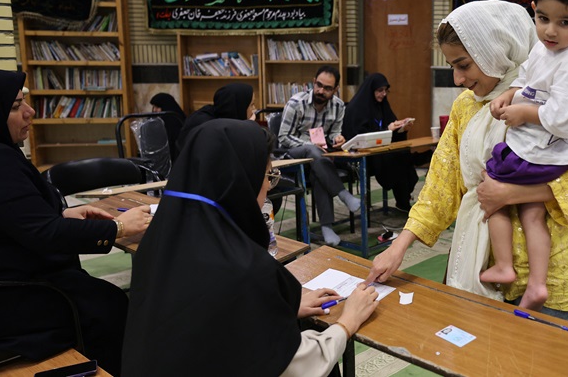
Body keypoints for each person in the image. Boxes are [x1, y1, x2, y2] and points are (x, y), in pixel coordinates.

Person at [365, 0, 568, 324]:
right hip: (482, 269)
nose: (457, 78)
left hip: (552, 276)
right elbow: (442, 183)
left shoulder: (557, 93)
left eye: (464, 65)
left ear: (495, 50)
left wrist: (510, 195)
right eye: (452, 66)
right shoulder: (466, 106)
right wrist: (400, 246)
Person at [122, 119, 379, 376]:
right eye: (267, 175)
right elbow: (299, 368)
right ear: (238, 181)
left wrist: (276, 307)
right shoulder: (243, 269)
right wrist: (347, 322)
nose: (268, 187)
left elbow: (205, 324)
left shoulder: (156, 242)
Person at [0, 68, 151, 375]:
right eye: (14, 107)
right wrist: (118, 227)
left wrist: (61, 214)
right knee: (110, 306)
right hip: (3, 298)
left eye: (24, 101)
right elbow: (45, 235)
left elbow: (8, 219)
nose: (29, 112)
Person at [479, 0, 568, 312]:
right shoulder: (542, 48)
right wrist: (508, 94)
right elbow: (526, 78)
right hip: (541, 154)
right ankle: (536, 284)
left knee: (491, 181)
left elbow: (565, 117)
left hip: (544, 154)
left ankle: (504, 265)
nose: (551, 31)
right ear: (533, 11)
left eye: (565, 22)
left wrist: (525, 113)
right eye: (543, 18)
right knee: (532, 214)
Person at [278, 65, 361, 246]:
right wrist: (309, 144)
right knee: (312, 151)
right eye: (318, 85)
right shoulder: (296, 103)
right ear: (313, 82)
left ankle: (326, 228)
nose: (321, 91)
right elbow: (283, 137)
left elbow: (333, 134)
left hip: (319, 159)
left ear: (335, 89)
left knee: (319, 169)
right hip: (293, 154)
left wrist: (337, 138)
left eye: (327, 88)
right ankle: (343, 195)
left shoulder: (338, 106)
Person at [342, 72, 418, 211]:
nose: (383, 94)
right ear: (370, 90)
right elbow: (359, 137)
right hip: (364, 154)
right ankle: (403, 200)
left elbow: (390, 130)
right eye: (379, 90)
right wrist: (386, 129)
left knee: (402, 155)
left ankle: (403, 200)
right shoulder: (356, 108)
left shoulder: (382, 105)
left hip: (381, 151)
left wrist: (401, 128)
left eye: (385, 90)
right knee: (398, 160)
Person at [174, 82, 256, 154]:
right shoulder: (205, 125)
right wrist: (247, 127)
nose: (254, 109)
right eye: (251, 105)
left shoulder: (220, 114)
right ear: (240, 107)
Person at [149, 92, 186, 161]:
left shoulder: (175, 121)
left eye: (157, 107)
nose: (154, 110)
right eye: (153, 107)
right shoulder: (156, 121)